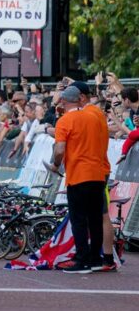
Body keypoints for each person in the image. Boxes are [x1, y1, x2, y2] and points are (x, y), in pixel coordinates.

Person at [49, 86, 110, 274]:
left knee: (79, 220)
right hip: (98, 174)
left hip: (78, 175)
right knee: (95, 219)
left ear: (64, 102)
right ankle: (95, 258)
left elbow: (59, 150)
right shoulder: (95, 116)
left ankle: (82, 259)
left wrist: (55, 165)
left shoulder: (65, 120)